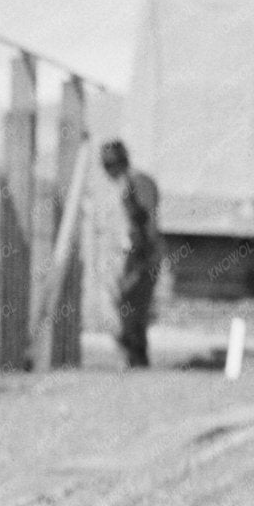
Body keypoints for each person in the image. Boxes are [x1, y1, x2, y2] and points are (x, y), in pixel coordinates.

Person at [99, 140, 163, 369]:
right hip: (129, 257)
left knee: (130, 311)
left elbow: (144, 224)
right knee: (125, 311)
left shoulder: (136, 184)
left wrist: (139, 259)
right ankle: (134, 360)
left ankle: (137, 360)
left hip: (139, 257)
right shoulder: (122, 186)